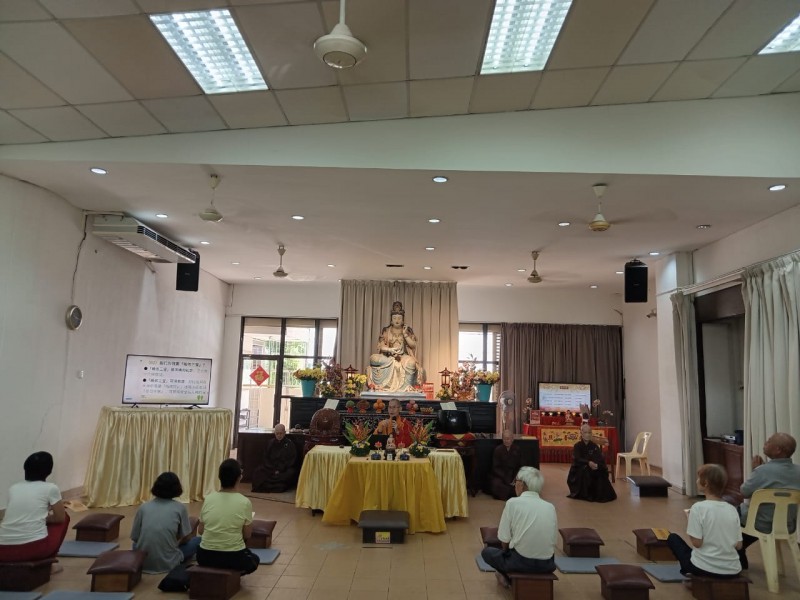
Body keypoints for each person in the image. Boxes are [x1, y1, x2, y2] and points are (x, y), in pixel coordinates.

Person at [481, 466, 557, 589]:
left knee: (487, 552)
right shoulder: (550, 507)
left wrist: (508, 552)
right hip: (547, 565)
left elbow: (504, 541)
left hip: (520, 563)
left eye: (515, 481)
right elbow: (553, 541)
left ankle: (505, 575)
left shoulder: (512, 503)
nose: (514, 485)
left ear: (521, 484)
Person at [666, 464, 742, 578]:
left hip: (703, 569)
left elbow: (697, 543)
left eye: (698, 478)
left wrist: (690, 520)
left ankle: (689, 573)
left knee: (673, 538)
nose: (696, 481)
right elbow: (739, 545)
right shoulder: (732, 509)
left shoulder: (698, 508)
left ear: (705, 483)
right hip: (733, 570)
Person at [738, 432, 800, 569]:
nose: (765, 443)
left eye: (768, 441)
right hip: (788, 525)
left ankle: (738, 552)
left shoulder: (762, 471)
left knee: (732, 515)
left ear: (778, 450)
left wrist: (756, 470)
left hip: (761, 523)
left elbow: (744, 492)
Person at [0, 451, 70, 563]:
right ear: (49, 471)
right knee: (65, 518)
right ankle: (48, 562)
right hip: (33, 548)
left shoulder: (13, 488)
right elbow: (60, 517)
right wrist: (43, 518)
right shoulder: (51, 488)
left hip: (2, 550)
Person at [197, 459, 259, 574]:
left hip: (204, 556)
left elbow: (200, 531)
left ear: (219, 477)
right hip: (233, 557)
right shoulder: (244, 502)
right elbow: (247, 535)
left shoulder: (208, 499)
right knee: (254, 559)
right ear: (239, 478)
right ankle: (232, 575)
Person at [131, 472, 201, 574]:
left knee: (135, 545)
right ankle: (186, 557)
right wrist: (176, 543)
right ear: (177, 488)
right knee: (198, 540)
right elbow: (187, 538)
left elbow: (135, 537)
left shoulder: (143, 507)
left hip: (142, 562)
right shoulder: (180, 508)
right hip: (168, 563)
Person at [367, 301, 425, 392]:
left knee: (412, 364)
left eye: (399, 318)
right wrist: (390, 350)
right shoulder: (386, 330)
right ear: (391, 320)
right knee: (373, 358)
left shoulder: (407, 330)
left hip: (403, 357)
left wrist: (405, 335)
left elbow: (413, 345)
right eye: (394, 318)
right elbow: (381, 346)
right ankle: (381, 385)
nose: (397, 320)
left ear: (403, 320)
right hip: (388, 356)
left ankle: (407, 387)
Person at [566, 424, 617, 502]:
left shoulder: (594, 446)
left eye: (589, 432)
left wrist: (597, 465)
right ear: (581, 433)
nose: (587, 434)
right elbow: (577, 459)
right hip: (580, 469)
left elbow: (600, 458)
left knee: (600, 471)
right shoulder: (577, 446)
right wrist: (588, 462)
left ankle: (600, 494)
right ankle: (589, 494)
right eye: (585, 432)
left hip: (593, 466)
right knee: (587, 470)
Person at [251, 424, 297, 493]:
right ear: (274, 433)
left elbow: (291, 460)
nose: (279, 435)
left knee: (290, 473)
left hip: (283, 469)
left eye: (281, 433)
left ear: (284, 433)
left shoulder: (290, 444)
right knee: (257, 471)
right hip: (270, 468)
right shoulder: (270, 443)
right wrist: (273, 469)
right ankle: (274, 486)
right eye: (277, 433)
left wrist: (279, 469)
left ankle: (273, 485)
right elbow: (265, 458)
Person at [490, 430, 522, 500]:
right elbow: (495, 468)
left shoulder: (517, 449)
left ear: (512, 439)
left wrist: (515, 478)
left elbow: (519, 465)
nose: (506, 441)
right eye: (504, 439)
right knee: (496, 484)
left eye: (508, 439)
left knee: (522, 483)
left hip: (513, 475)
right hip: (501, 476)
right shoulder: (498, 450)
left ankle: (511, 492)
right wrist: (505, 478)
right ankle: (512, 493)